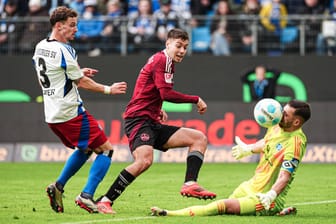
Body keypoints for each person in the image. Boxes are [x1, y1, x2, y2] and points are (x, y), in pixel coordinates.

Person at [95, 28, 216, 214]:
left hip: (150, 119)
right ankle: (105, 200)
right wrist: (195, 99)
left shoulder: (164, 60)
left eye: (185, 47)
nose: (182, 50)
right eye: (178, 46)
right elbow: (165, 93)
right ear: (167, 44)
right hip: (138, 119)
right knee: (144, 161)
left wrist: (158, 109)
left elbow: (149, 88)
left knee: (198, 138)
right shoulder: (163, 60)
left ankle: (190, 183)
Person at [32, 6, 127, 213]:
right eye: (72, 25)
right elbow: (82, 82)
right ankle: (86, 196)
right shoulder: (63, 50)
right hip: (70, 111)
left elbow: (49, 75)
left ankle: (58, 186)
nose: (76, 29)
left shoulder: (41, 46)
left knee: (85, 148)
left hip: (52, 113)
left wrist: (75, 73)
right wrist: (109, 89)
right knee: (106, 150)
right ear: (59, 26)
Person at [151, 99, 311, 217]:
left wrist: (271, 195)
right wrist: (248, 149)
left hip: (265, 197)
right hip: (250, 185)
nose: (280, 115)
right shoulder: (276, 125)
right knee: (226, 211)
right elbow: (267, 142)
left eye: (285, 114)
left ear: (296, 122)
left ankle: (169, 214)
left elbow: (285, 176)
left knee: (222, 206)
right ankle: (280, 214)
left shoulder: (295, 143)